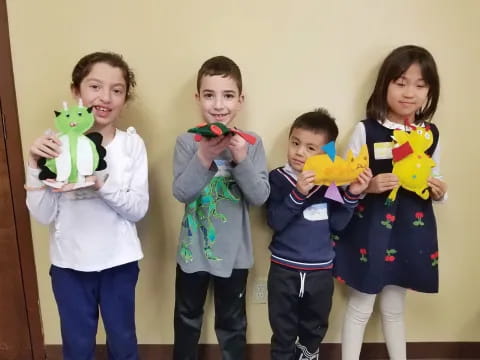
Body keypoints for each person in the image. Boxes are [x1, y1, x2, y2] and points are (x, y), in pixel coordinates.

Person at [25, 52, 148, 360]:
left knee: (123, 342)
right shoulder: (54, 146)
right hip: (69, 265)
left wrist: (101, 183)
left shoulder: (131, 144)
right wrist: (34, 165)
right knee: (77, 346)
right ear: (76, 91)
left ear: (124, 98)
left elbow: (137, 209)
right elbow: (42, 215)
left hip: (119, 263)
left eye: (116, 90)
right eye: (95, 86)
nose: (105, 97)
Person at [333, 45, 448, 360]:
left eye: (420, 84)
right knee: (361, 304)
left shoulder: (430, 134)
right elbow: (343, 184)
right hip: (371, 230)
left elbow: (435, 177)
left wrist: (440, 191)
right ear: (384, 84)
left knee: (395, 307)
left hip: (411, 231)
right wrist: (367, 186)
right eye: (400, 82)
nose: (409, 92)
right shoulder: (365, 130)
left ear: (429, 92)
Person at [172, 55, 270, 360]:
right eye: (209, 95)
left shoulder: (251, 144)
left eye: (228, 96)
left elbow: (259, 196)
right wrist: (203, 157)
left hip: (235, 255)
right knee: (187, 319)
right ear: (198, 98)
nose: (219, 105)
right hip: (193, 252)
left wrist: (240, 159)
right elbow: (181, 192)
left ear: (240, 100)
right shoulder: (187, 142)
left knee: (231, 323)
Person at [266, 108, 372, 360]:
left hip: (320, 271)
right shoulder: (278, 179)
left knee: (315, 325)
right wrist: (298, 194)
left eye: (311, 148)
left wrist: (352, 194)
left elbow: (337, 224)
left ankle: (308, 354)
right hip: (284, 268)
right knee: (282, 328)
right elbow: (275, 221)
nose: (300, 152)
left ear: (327, 154)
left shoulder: (330, 186)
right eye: (295, 143)